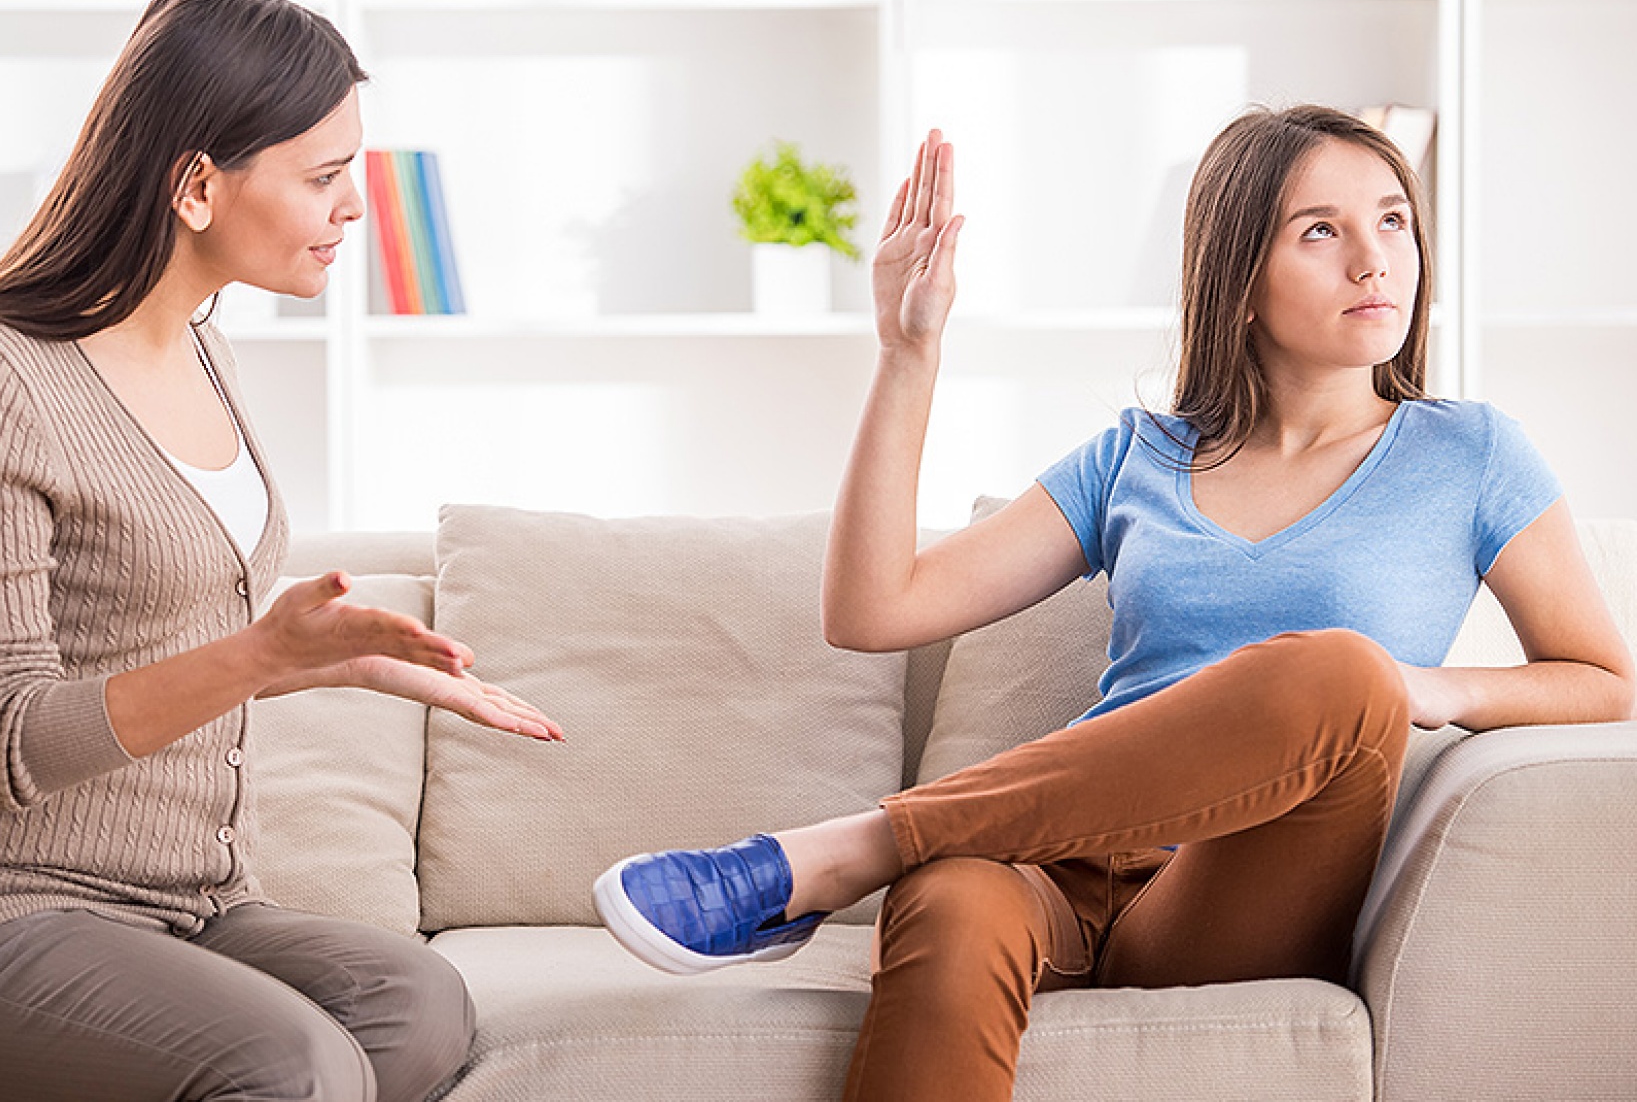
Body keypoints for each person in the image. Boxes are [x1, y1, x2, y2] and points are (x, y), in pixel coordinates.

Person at [592, 105, 1635, 1101]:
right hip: (1053, 853)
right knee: (951, 897)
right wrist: (907, 353)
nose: (1374, 259)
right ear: (1235, 279)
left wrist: (1417, 684)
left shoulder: (1470, 453)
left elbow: (1603, 680)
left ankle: (846, 848)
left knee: (1338, 668)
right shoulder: (1138, 456)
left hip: (1242, 880)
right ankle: (904, 851)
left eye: (1392, 220)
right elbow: (873, 608)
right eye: (1321, 229)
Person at [0, 0, 563, 1102]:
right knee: (296, 1063)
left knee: (415, 1005)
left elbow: (141, 639)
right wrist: (259, 656)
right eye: (323, 176)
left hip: (185, 904)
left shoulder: (205, 351)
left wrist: (312, 660)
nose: (353, 208)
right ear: (194, 185)